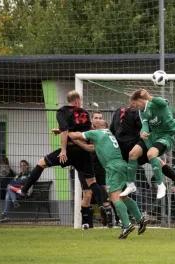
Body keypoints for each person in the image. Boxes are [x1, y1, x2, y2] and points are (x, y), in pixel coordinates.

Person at [14, 90, 108, 229]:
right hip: (84, 152)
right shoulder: (84, 113)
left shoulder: (62, 111)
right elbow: (81, 132)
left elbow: (66, 132)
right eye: (80, 100)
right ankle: (103, 206)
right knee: (92, 182)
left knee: (41, 163)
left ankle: (24, 190)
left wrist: (63, 150)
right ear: (76, 101)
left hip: (70, 150)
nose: (80, 103)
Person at [69, 119, 147, 239]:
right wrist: (79, 143)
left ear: (94, 127)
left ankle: (126, 225)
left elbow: (76, 135)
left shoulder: (96, 133)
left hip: (113, 167)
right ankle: (140, 218)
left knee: (114, 197)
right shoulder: (109, 134)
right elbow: (92, 149)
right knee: (123, 196)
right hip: (121, 165)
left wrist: (64, 131)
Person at [110, 105, 175, 200]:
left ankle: (119, 193)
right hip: (132, 144)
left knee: (153, 161)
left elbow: (112, 130)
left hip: (122, 148)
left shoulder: (118, 111)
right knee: (157, 161)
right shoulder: (137, 111)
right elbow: (144, 127)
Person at [121, 89, 175, 199]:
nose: (134, 106)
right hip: (154, 135)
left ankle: (161, 185)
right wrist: (143, 132)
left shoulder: (155, 104)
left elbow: (163, 103)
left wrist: (149, 96)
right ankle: (130, 185)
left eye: (134, 103)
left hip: (166, 136)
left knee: (151, 154)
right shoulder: (141, 112)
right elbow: (145, 125)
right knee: (133, 153)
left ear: (140, 100)